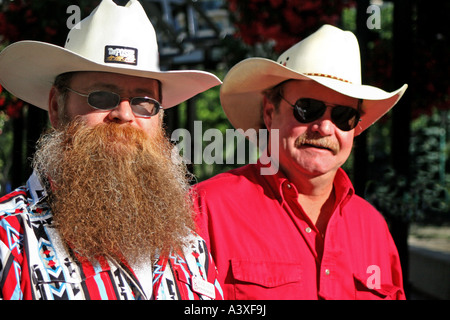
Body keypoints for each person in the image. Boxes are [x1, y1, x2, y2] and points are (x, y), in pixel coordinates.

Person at [0, 0, 222, 300]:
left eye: (144, 102)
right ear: (56, 106)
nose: (125, 115)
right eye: (101, 96)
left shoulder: (190, 247)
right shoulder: (8, 240)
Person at [193, 24, 408, 300]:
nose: (325, 128)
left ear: (355, 128)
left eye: (343, 116)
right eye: (308, 109)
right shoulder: (208, 208)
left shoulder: (373, 228)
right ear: (269, 113)